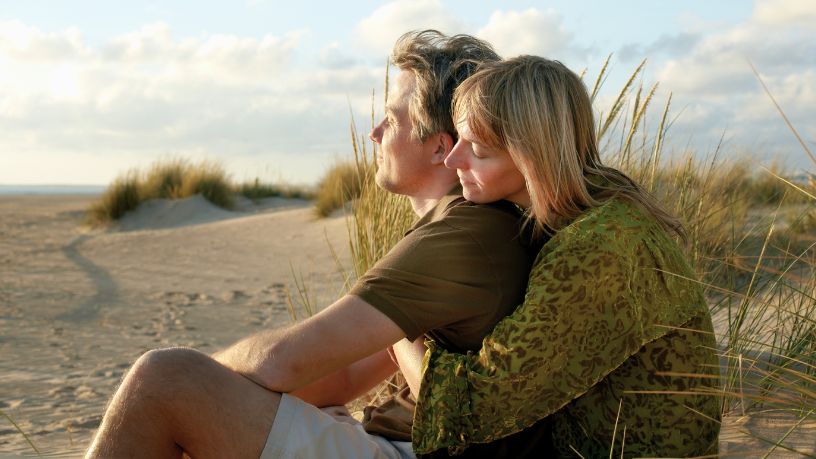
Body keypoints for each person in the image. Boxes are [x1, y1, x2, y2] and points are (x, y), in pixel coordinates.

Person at [85, 31, 544, 459]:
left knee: (162, 378)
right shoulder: (465, 228)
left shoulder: (461, 237)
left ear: (441, 148)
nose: (375, 133)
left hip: (410, 451)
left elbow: (280, 364)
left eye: (391, 119)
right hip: (388, 438)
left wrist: (198, 384)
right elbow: (341, 377)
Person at [394, 56, 722, 457]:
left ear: (534, 155)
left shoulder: (596, 250)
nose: (453, 159)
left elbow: (475, 406)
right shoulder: (598, 206)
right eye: (458, 140)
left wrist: (400, 326)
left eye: (478, 149)